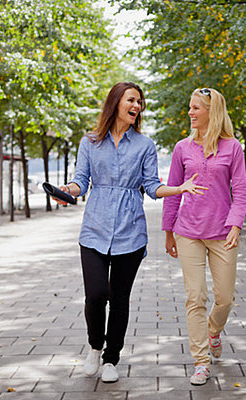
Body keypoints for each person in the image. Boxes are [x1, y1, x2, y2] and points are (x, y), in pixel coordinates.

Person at [58, 82, 208, 383]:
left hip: (131, 232)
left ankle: (112, 358)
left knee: (120, 299)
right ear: (115, 102)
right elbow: (81, 182)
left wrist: (179, 188)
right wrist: (65, 191)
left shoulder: (144, 145)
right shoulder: (89, 142)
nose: (137, 106)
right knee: (96, 295)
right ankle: (94, 346)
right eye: (131, 100)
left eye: (140, 101)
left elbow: (152, 186)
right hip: (94, 230)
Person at [162, 88, 246, 386]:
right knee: (195, 297)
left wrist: (236, 224)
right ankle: (201, 361)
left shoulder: (232, 147)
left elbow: (240, 191)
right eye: (190, 107)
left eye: (196, 108)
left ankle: (214, 331)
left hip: (223, 232)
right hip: (188, 232)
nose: (190, 112)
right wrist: (168, 230)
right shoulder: (182, 148)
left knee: (224, 298)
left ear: (212, 112)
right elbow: (173, 191)